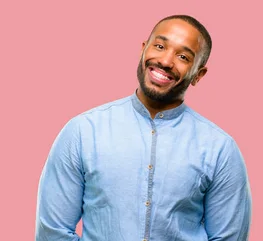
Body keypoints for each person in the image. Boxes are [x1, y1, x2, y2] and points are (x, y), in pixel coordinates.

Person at [35, 14, 252, 241]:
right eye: (159, 46)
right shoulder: (83, 131)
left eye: (183, 56)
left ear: (198, 74)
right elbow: (53, 232)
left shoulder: (220, 149)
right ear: (143, 50)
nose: (166, 61)